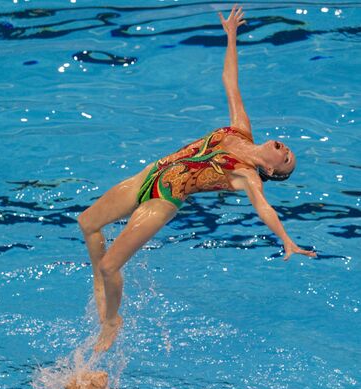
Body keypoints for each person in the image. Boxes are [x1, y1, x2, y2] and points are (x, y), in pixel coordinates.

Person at [77, 4, 316, 352]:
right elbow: (230, 83)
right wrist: (232, 36)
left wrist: (286, 239)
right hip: (148, 175)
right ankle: (98, 281)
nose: (285, 149)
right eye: (287, 149)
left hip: (162, 201)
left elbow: (264, 209)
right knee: (87, 224)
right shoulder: (241, 130)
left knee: (112, 264)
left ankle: (112, 321)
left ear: (271, 170)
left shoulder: (248, 176)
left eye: (287, 159)